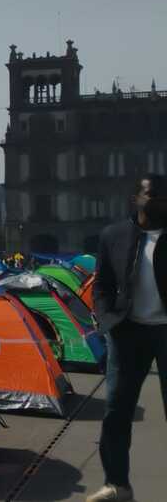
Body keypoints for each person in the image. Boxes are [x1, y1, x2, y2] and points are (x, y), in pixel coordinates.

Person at [87, 175, 167, 502]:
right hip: (128, 331)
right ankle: (117, 485)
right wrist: (109, 322)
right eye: (153, 194)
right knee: (117, 411)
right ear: (136, 198)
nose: (160, 199)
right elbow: (101, 284)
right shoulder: (113, 236)